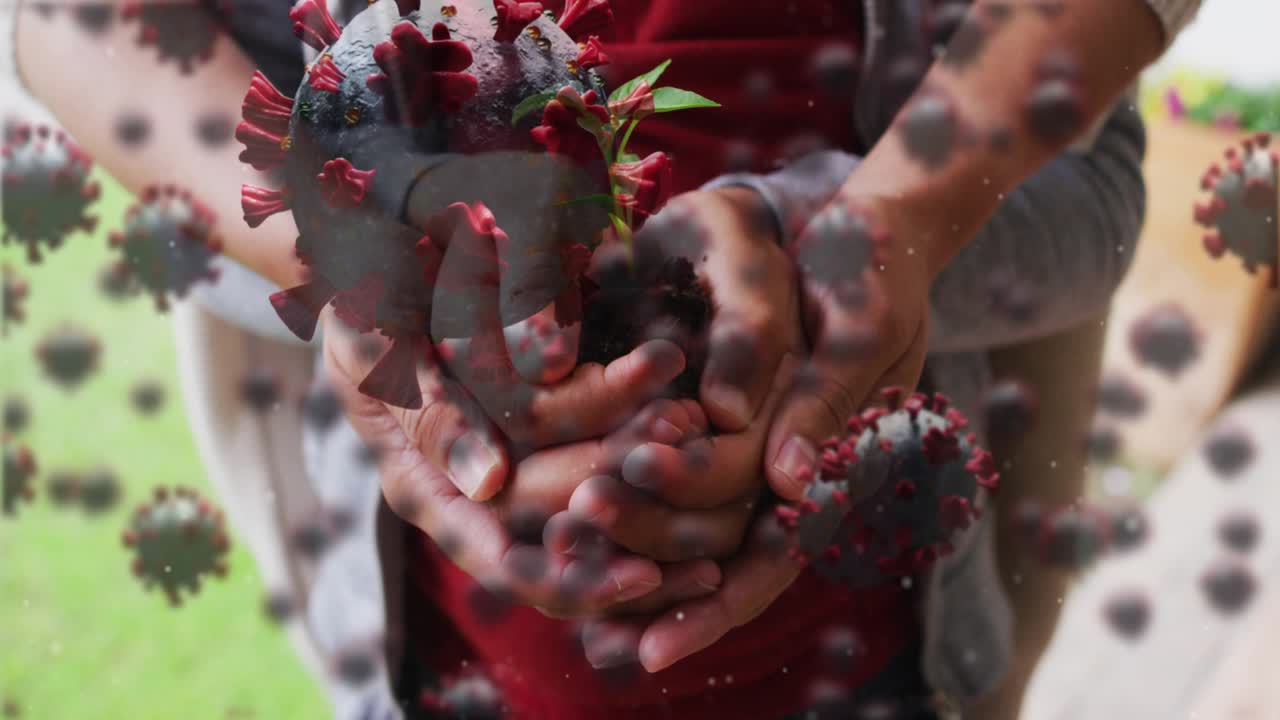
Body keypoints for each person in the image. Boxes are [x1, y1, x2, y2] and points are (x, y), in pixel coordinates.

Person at [8, 0, 1200, 718]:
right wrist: (345, 237)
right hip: (438, 650)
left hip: (889, 653)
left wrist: (877, 226)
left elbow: (1084, 157)